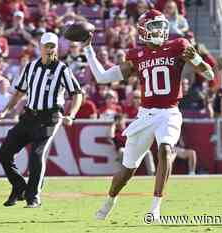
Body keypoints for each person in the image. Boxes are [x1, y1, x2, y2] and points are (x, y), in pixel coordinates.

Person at [82, 9, 214, 220]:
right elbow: (102, 77)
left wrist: (198, 60)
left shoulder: (178, 45)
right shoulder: (136, 55)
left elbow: (209, 74)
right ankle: (110, 199)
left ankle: (155, 207)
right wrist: (88, 50)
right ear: (143, 30)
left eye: (162, 26)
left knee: (165, 149)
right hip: (145, 115)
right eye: (154, 26)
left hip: (170, 112)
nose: (160, 31)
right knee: (127, 171)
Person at [0, 32, 82, 208]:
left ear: (56, 48)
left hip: (50, 117)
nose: (49, 50)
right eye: (46, 46)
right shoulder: (30, 67)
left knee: (36, 155)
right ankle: (19, 186)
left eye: (52, 46)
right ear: (40, 48)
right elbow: (19, 92)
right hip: (29, 116)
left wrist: (71, 114)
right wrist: (6, 111)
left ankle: (33, 197)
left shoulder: (62, 69)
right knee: (4, 152)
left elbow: (77, 93)